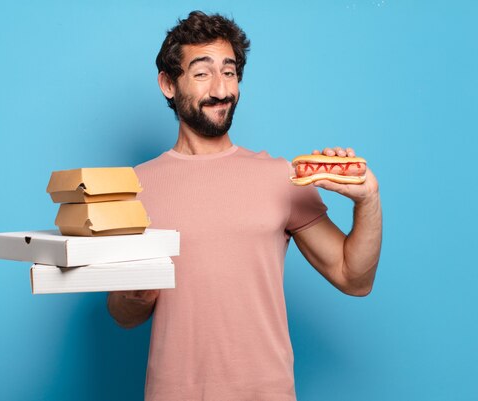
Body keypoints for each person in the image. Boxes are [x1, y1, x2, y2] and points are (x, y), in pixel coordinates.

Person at [107, 10, 382, 401]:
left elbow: (355, 279)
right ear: (168, 83)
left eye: (230, 72)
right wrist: (134, 296)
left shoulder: (279, 176)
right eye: (202, 73)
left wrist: (367, 200)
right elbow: (122, 315)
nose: (221, 89)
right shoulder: (133, 187)